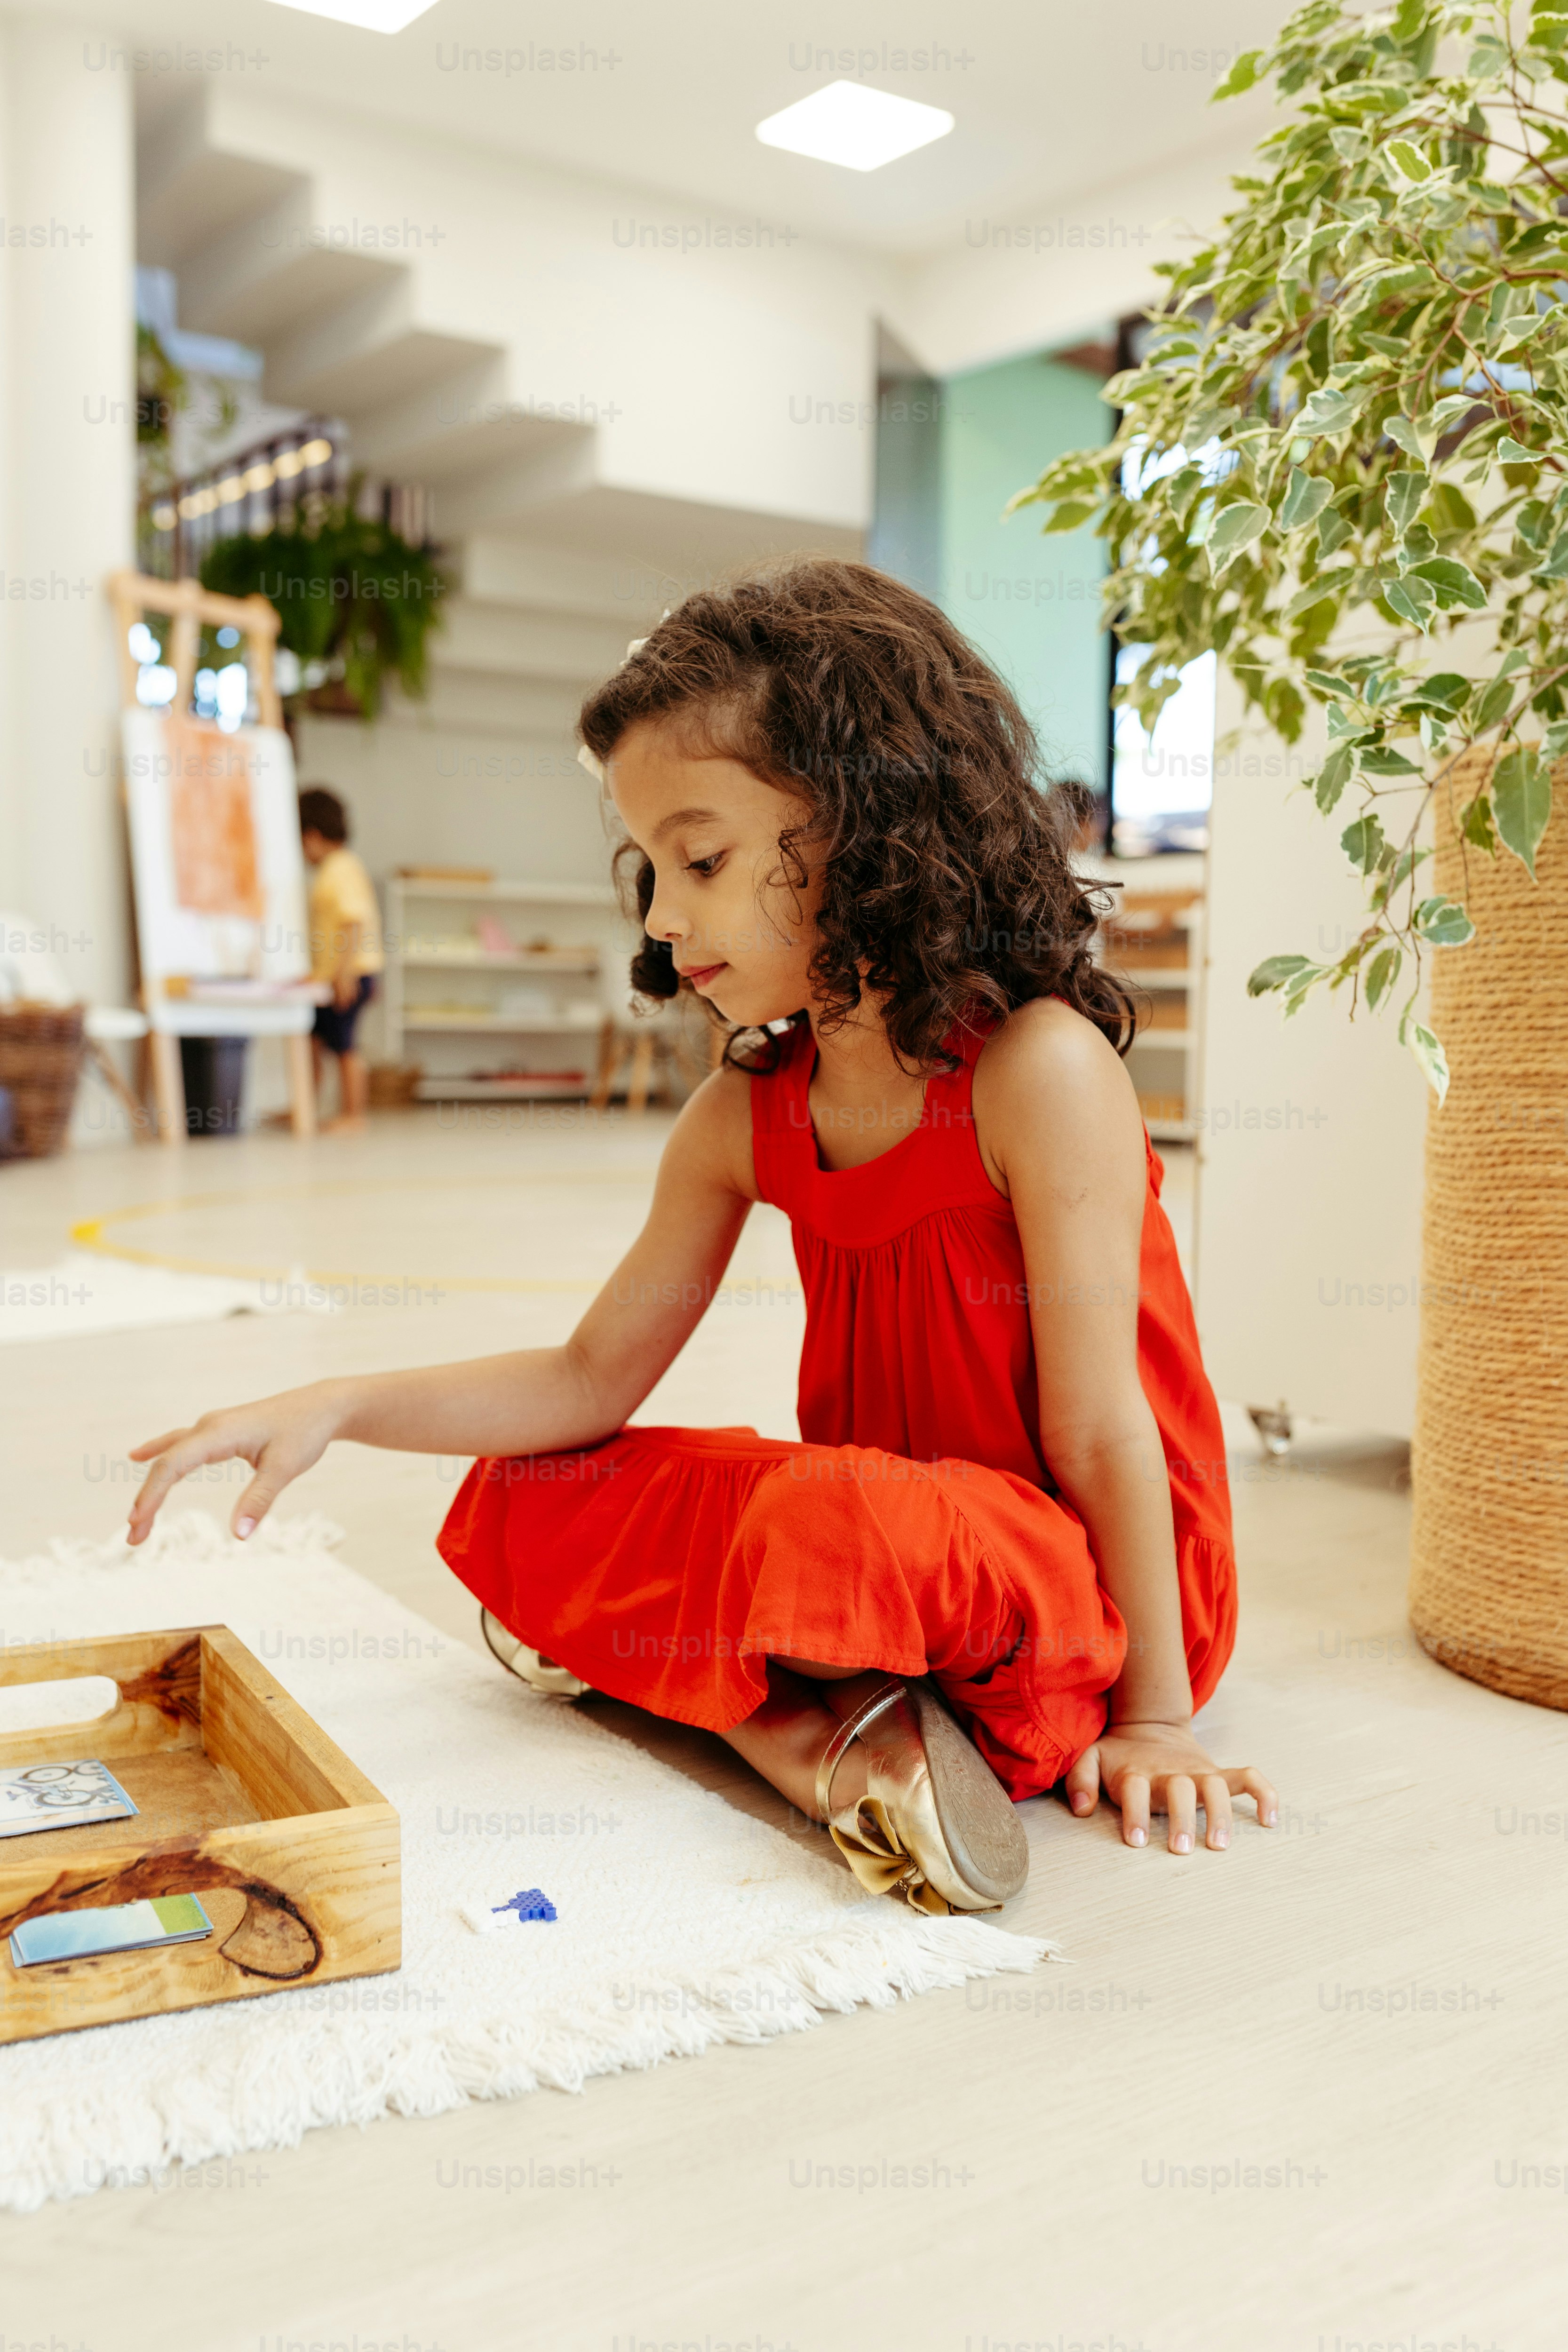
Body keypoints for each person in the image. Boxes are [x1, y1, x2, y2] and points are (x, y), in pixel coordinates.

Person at [126, 562, 1275, 1915]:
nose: (664, 922)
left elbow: (1098, 1435)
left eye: (704, 858)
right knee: (527, 1489)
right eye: (654, 869)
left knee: (808, 1513)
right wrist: (338, 1401)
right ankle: (829, 1741)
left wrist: (1155, 1720)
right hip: (884, 1552)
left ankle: (795, 1715)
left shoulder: (1039, 1071)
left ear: (867, 821)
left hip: (1088, 1579)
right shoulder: (746, 1111)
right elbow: (583, 1382)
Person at [299, 785, 383, 1135]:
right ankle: (305, 1107)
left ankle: (354, 1114)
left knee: (345, 1045)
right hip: (329, 977)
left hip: (350, 974)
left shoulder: (341, 869)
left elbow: (353, 922)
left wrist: (343, 974)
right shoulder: (333, 869)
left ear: (313, 836)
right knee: (312, 1041)